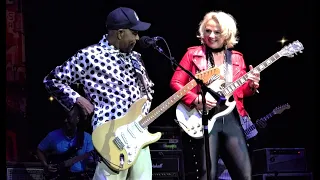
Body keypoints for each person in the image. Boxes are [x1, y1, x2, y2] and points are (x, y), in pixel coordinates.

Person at [43, 7, 155, 180]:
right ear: (120, 33)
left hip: (139, 135)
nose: (137, 38)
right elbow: (52, 80)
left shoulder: (136, 58)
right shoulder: (90, 56)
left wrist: (143, 116)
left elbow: (149, 90)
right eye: (134, 33)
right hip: (110, 136)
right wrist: (78, 99)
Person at [170, 11, 261, 180]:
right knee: (207, 174)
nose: (211, 36)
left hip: (232, 119)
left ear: (227, 34)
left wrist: (252, 85)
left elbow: (241, 92)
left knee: (245, 174)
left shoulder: (237, 58)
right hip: (204, 118)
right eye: (208, 31)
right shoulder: (192, 54)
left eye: (217, 32)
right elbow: (175, 83)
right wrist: (195, 99)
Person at [36, 104, 95, 180]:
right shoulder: (53, 135)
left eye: (69, 117)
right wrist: (46, 165)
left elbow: (90, 160)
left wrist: (93, 160)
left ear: (77, 119)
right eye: (64, 118)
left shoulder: (86, 137)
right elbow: (39, 150)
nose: (65, 120)